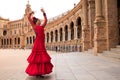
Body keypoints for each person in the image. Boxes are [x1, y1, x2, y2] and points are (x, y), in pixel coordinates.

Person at [25, 8, 53, 78]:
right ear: (36, 22)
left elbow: (46, 20)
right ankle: (37, 72)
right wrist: (31, 13)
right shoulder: (34, 26)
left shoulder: (42, 26)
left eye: (40, 20)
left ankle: (40, 72)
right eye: (38, 20)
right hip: (37, 44)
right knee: (37, 58)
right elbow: (28, 17)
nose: (40, 21)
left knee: (41, 58)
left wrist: (44, 13)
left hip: (41, 44)